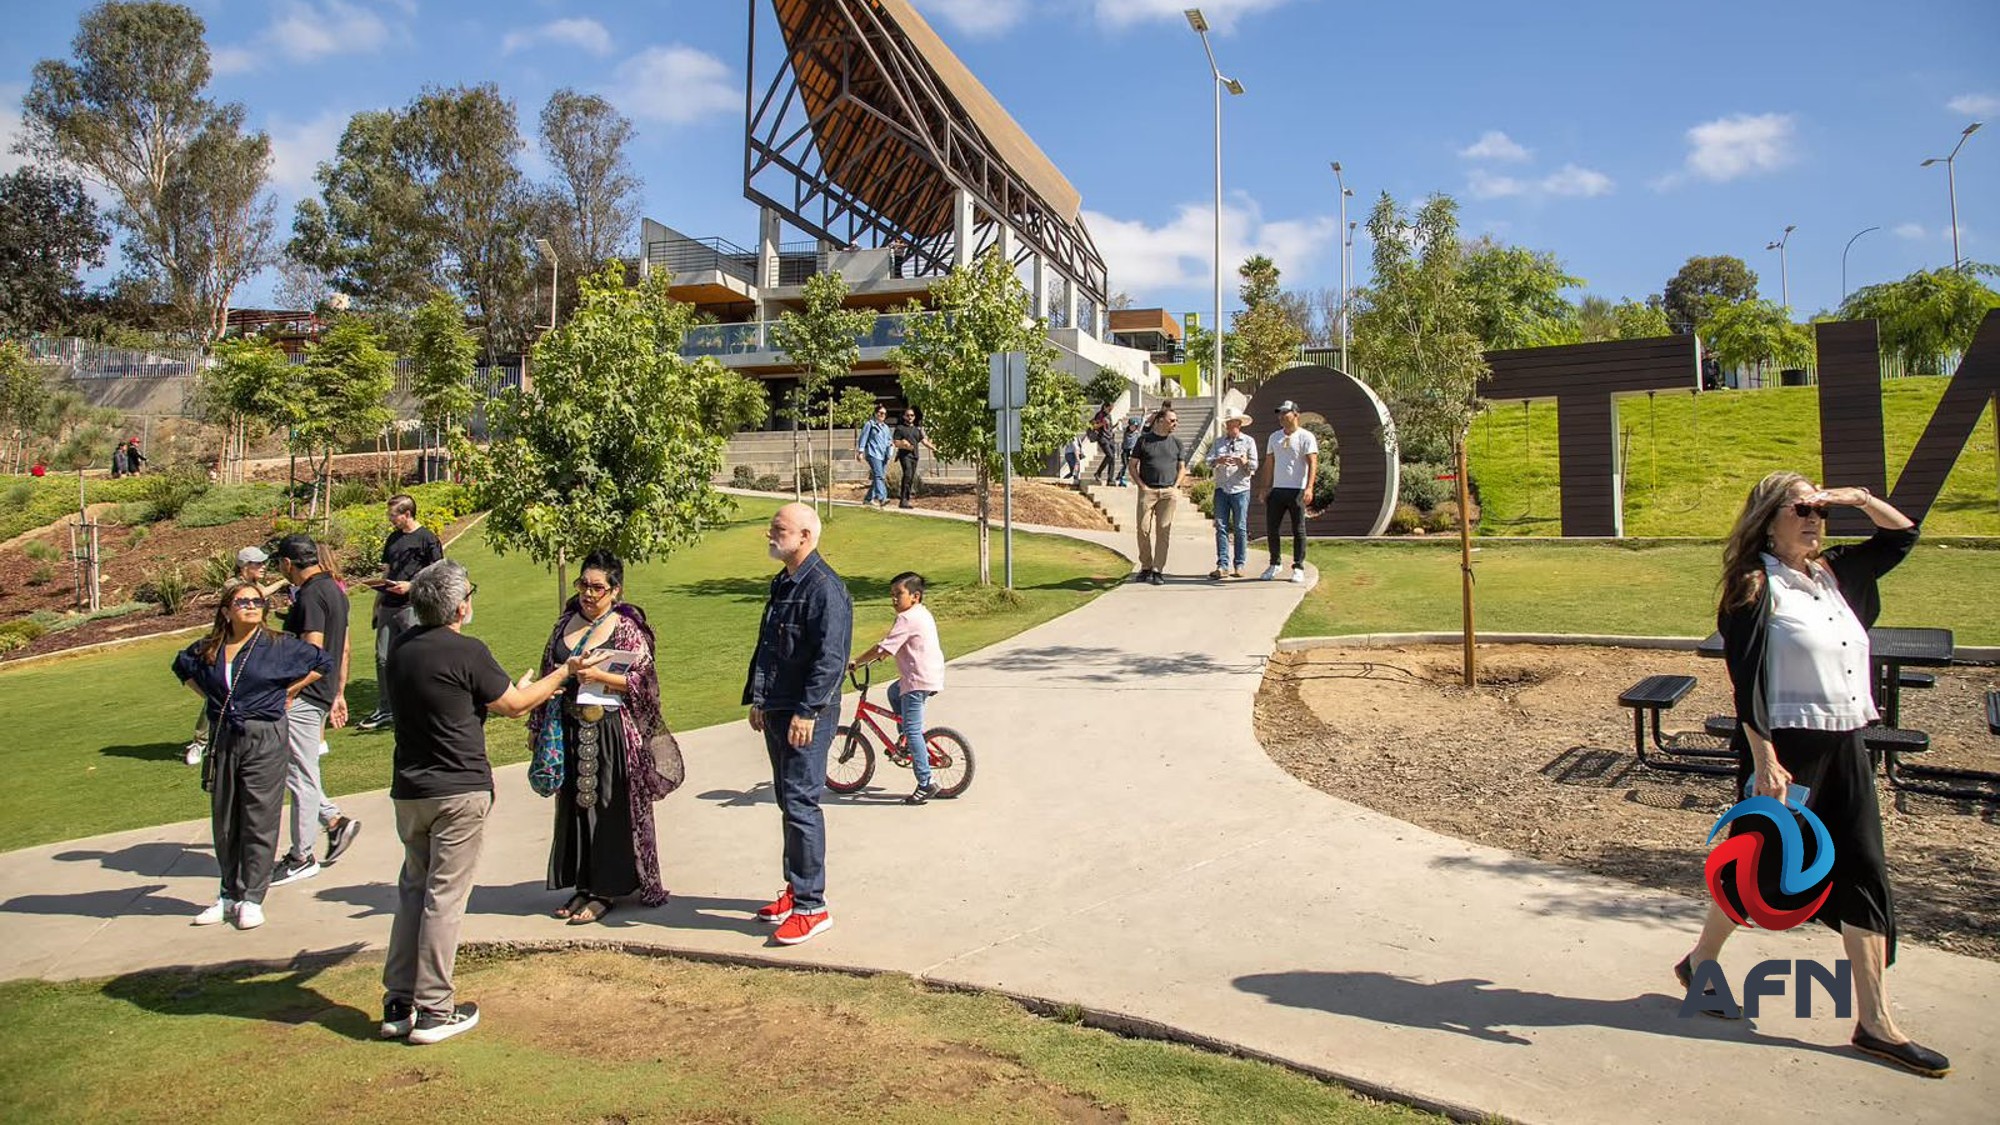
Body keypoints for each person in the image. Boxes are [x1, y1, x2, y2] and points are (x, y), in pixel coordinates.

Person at [1681, 471, 1947, 1077]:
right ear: (1767, 519)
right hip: (1786, 750)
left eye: (1818, 510)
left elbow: (1902, 539)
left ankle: (1875, 1023)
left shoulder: (1834, 575)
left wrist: (1858, 499)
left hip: (1846, 742)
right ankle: (1701, 962)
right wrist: (1765, 759)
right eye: (1799, 508)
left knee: (1864, 869)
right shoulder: (1753, 588)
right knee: (1766, 874)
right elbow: (1745, 682)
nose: (1812, 518)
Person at [380, 559, 595, 1045]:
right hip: (458, 790)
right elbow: (516, 705)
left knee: (414, 889)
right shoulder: (466, 651)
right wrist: (563, 672)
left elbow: (457, 704)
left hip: (410, 792)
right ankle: (435, 1008)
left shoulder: (402, 649)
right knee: (444, 898)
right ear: (460, 605)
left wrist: (500, 698)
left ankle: (399, 1001)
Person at [170, 579, 332, 931]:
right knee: (226, 818)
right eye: (243, 602)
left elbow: (322, 662)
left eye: (257, 602)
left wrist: (285, 692)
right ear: (226, 611)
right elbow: (181, 667)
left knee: (259, 816)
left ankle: (252, 897)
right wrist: (212, 700)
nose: (252, 606)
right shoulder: (209, 649)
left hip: (265, 735)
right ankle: (228, 893)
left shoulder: (278, 646)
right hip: (225, 735)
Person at [530, 551, 676, 924]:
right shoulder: (564, 624)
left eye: (597, 587)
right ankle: (584, 883)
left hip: (610, 729)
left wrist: (599, 678)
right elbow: (549, 672)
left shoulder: (625, 628)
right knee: (576, 806)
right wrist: (536, 727)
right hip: (569, 728)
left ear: (615, 591)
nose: (588, 594)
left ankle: (606, 890)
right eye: (584, 585)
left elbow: (642, 680)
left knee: (608, 807)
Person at [742, 503, 853, 945]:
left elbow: (830, 661)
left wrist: (807, 712)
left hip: (807, 713)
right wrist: (758, 699)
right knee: (788, 801)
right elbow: (770, 646)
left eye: (778, 529)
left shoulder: (825, 588)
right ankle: (795, 888)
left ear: (805, 536)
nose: (770, 535)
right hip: (777, 707)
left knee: (803, 804)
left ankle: (812, 906)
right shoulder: (785, 582)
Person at [268, 535, 361, 889]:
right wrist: (338, 692)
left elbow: (313, 653)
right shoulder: (334, 590)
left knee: (301, 776)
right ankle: (334, 822)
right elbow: (345, 647)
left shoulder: (309, 596)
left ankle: (301, 857)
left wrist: (289, 690)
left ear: (289, 563)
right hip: (320, 694)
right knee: (298, 768)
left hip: (305, 698)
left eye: (280, 564)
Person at [184, 546, 290, 767]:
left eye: (263, 563)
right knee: (220, 693)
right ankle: (200, 741)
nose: (263, 567)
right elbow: (258, 596)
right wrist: (282, 582)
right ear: (244, 566)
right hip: (231, 646)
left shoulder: (255, 586)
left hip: (257, 645)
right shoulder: (232, 586)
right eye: (257, 564)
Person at [848, 571, 946, 804]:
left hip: (917, 680)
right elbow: (902, 642)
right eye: (891, 595)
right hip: (928, 674)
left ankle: (925, 783)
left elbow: (883, 646)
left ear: (915, 596)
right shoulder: (921, 613)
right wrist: (884, 654)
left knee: (913, 730)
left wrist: (857, 661)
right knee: (894, 692)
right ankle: (905, 743)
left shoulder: (907, 618)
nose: (894, 599)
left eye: (898, 594)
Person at [358, 495, 445, 732]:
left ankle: (423, 703)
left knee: (417, 655)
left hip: (412, 606)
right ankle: (386, 708)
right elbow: (388, 570)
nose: (391, 520)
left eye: (393, 515)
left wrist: (411, 586)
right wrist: (377, 604)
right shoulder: (393, 539)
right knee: (383, 657)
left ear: (407, 514)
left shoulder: (427, 539)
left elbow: (438, 574)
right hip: (389, 604)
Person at [1255, 400, 1318, 584]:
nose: (1281, 417)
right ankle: (1275, 563)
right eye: (1279, 413)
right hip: (1278, 490)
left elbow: (1312, 462)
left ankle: (1298, 567)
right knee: (1272, 528)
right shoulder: (1274, 437)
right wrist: (1264, 488)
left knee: (1298, 529)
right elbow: (1269, 463)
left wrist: (1309, 487)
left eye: (1285, 413)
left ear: (1296, 415)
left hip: (1297, 489)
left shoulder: (1306, 437)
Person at [1129, 407, 1189, 585]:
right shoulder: (1143, 441)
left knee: (1163, 531)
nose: (1175, 424)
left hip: (1168, 493)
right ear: (1160, 421)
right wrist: (1142, 486)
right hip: (1147, 492)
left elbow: (1182, 468)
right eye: (1172, 421)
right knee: (1142, 529)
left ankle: (1157, 570)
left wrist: (1175, 487)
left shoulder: (1177, 443)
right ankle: (1146, 566)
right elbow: (1132, 465)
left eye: (1176, 421)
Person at [1206, 411, 1260, 580]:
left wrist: (1244, 463)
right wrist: (1218, 461)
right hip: (1222, 488)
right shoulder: (1219, 442)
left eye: (1234, 423)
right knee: (1221, 526)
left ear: (1239, 424)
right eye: (1228, 423)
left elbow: (1255, 465)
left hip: (1241, 489)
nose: (1231, 426)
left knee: (1240, 526)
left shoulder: (1249, 441)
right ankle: (1222, 565)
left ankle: (1240, 564)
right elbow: (1208, 461)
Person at [890, 407, 935, 509]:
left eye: (912, 415)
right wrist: (904, 444)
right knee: (908, 474)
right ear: (904, 416)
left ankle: (906, 499)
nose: (910, 417)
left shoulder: (916, 430)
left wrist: (934, 449)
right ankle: (903, 500)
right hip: (905, 456)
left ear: (914, 417)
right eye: (908, 415)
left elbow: (924, 441)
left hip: (915, 456)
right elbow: (895, 442)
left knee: (910, 478)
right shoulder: (900, 428)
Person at [856, 404, 894, 507]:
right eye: (881, 413)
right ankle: (882, 498)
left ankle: (868, 499)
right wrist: (860, 452)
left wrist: (890, 449)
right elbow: (863, 438)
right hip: (873, 454)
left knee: (879, 477)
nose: (883, 415)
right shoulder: (870, 424)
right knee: (879, 475)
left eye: (884, 414)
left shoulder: (886, 427)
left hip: (883, 455)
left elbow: (889, 440)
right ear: (876, 414)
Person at [1089, 402, 1118, 485]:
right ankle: (1098, 473)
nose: (1110, 411)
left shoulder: (1109, 416)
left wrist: (1116, 425)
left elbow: (1109, 428)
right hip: (1103, 438)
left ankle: (1110, 479)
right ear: (1105, 407)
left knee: (1112, 458)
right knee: (1110, 455)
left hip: (1110, 438)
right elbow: (1094, 426)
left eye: (1111, 409)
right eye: (1109, 409)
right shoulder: (1100, 415)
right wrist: (1102, 423)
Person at [1117, 416, 1143, 486]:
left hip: (1133, 451)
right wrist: (1120, 422)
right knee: (1125, 464)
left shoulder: (1137, 432)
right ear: (1129, 425)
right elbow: (1119, 428)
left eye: (1134, 426)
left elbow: (1142, 423)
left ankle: (1132, 479)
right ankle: (1121, 477)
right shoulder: (1126, 431)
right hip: (1125, 451)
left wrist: (1144, 414)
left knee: (1132, 465)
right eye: (1132, 426)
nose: (1133, 428)